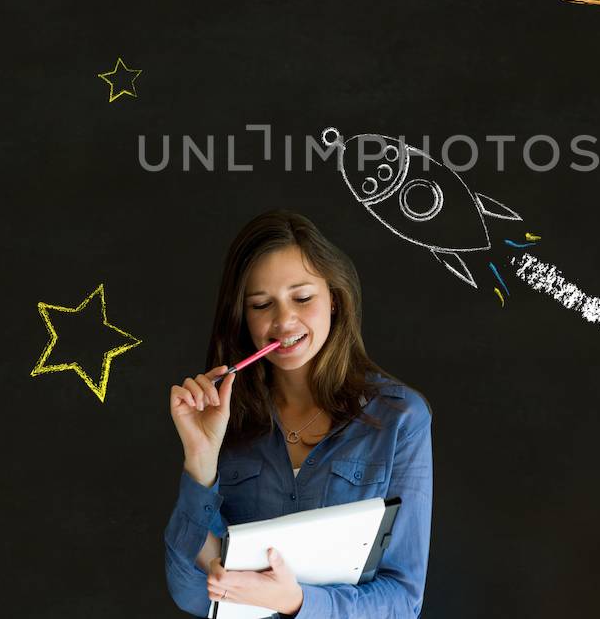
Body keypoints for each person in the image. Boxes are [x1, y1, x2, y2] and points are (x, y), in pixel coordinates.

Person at [164, 209, 433, 617]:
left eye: (303, 298)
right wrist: (200, 460)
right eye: (260, 305)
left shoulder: (401, 419)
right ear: (243, 320)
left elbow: (402, 601)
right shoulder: (223, 418)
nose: (283, 321)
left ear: (336, 301)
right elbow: (191, 595)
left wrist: (296, 602)